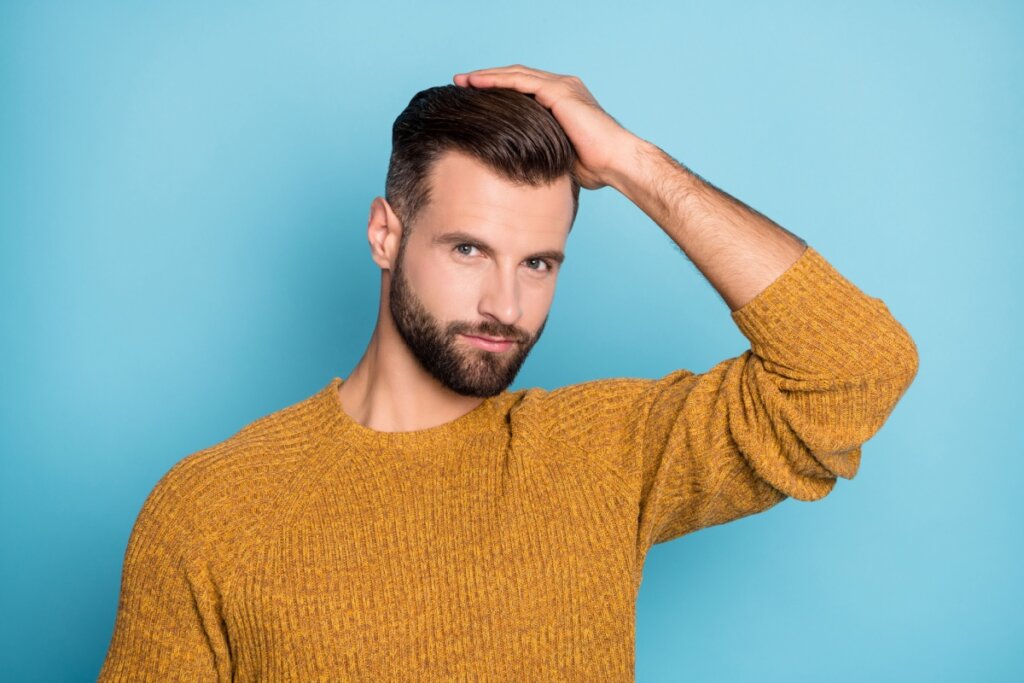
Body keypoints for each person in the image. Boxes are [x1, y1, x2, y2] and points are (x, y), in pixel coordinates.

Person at [97, 65, 919, 681]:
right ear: (386, 234)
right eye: (468, 249)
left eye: (539, 263)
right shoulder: (212, 510)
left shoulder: (604, 453)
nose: (505, 303)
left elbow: (852, 368)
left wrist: (634, 164)